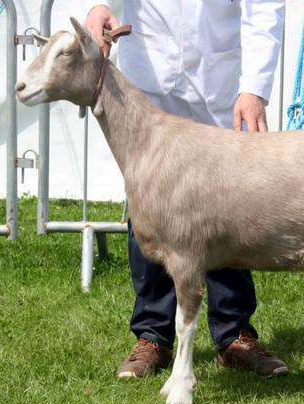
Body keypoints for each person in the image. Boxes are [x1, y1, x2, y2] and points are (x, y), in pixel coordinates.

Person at [83, 1, 288, 379]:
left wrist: (254, 88)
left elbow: (263, 8)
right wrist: (100, 6)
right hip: (150, 76)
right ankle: (153, 335)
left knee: (226, 205)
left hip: (218, 80)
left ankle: (233, 333)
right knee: (148, 200)